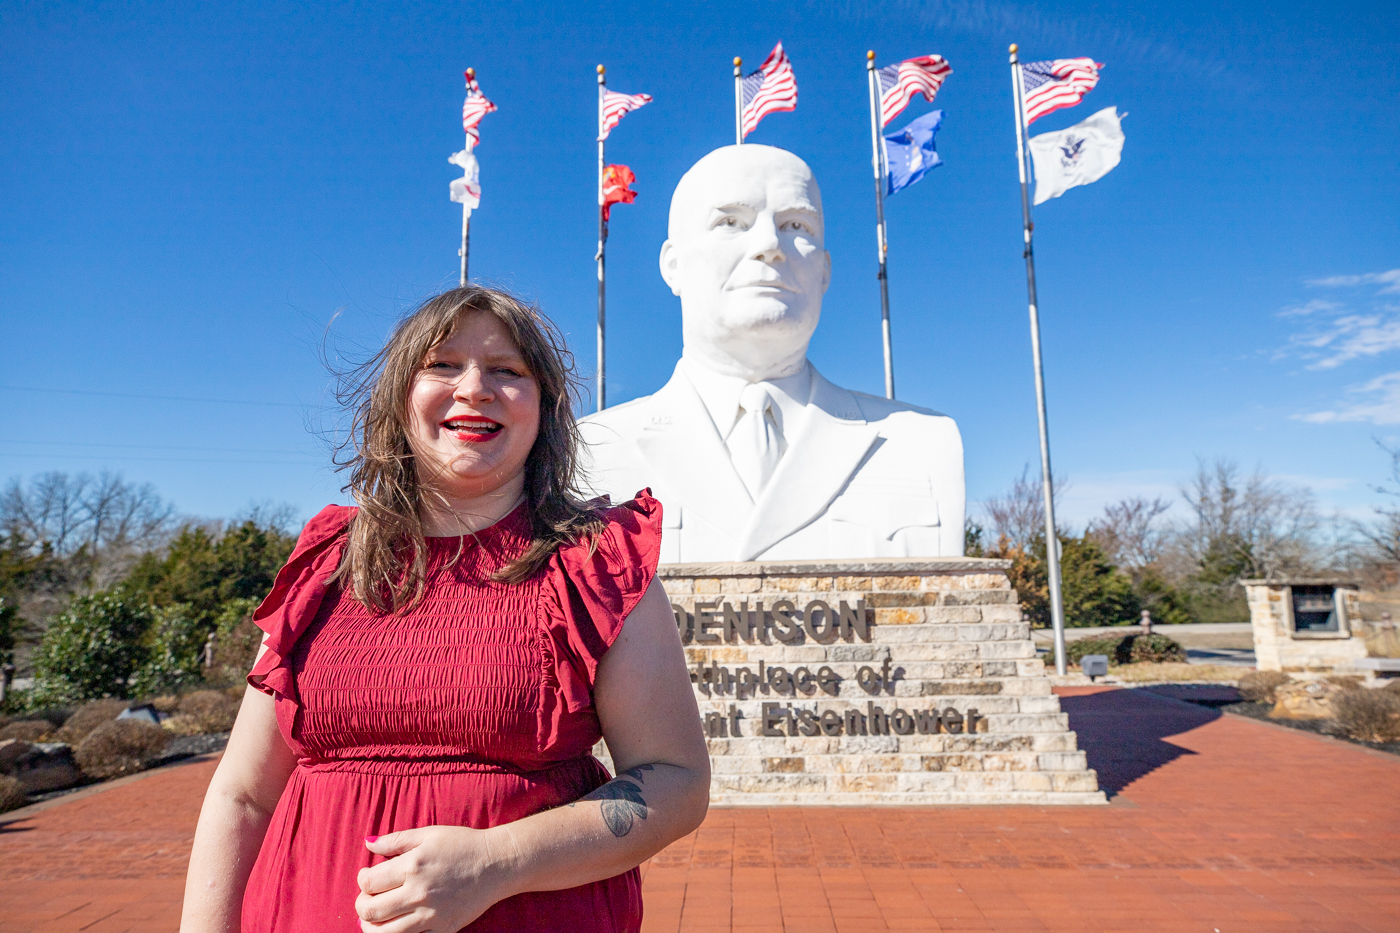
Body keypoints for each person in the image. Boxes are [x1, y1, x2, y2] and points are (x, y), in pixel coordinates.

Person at [180, 287, 710, 933]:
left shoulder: (598, 565)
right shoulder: (325, 562)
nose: (475, 388)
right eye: (443, 364)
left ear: (543, 408)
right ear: (400, 397)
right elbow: (242, 795)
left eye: (508, 370)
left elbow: (675, 781)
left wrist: (498, 861)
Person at [579, 144, 965, 563]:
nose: (769, 244)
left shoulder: (924, 442)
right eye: (730, 221)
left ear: (825, 271)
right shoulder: (588, 453)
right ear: (673, 265)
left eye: (796, 224)